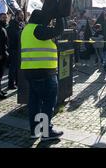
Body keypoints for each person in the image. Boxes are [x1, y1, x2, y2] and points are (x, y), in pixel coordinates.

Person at [20, 9, 64, 140]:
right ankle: (46, 132)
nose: (47, 22)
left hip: (30, 71)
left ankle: (35, 131)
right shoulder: (37, 30)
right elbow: (58, 31)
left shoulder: (27, 29)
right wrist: (59, 15)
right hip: (44, 72)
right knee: (48, 101)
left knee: (34, 102)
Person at [7, 11, 25, 90]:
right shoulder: (12, 26)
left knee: (18, 67)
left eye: (23, 15)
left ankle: (18, 81)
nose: (22, 17)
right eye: (21, 15)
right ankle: (11, 83)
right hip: (14, 49)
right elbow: (13, 38)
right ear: (17, 16)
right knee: (13, 67)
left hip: (19, 49)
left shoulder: (20, 25)